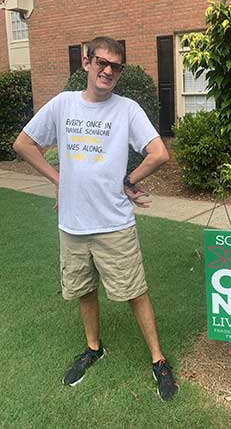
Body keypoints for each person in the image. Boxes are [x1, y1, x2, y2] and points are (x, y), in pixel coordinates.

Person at [13, 36, 178, 400]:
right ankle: (93, 348)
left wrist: (129, 180)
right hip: (72, 224)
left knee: (135, 290)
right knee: (84, 289)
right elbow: (23, 144)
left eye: (114, 66)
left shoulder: (127, 109)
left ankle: (158, 359)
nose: (107, 70)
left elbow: (158, 153)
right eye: (101, 62)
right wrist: (59, 179)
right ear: (86, 63)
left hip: (115, 223)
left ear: (119, 71)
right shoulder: (63, 105)